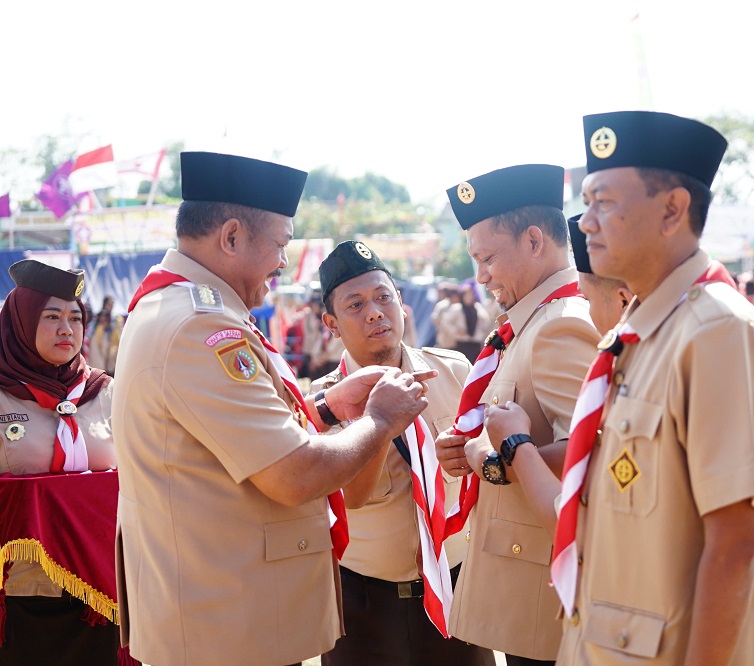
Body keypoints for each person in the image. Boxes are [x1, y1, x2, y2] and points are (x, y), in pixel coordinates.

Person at [506, 111, 754, 665]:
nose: (586, 222)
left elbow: (734, 542)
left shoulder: (716, 333)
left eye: (604, 202)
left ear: (672, 210)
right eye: (586, 203)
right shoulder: (638, 336)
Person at [112, 152, 433, 665]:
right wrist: (380, 419)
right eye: (281, 243)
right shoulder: (199, 325)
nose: (284, 261)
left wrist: (324, 408)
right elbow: (294, 474)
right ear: (231, 237)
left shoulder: (178, 308)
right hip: (227, 628)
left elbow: (223, 439)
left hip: (221, 613)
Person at [436, 164, 601, 665]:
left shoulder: (560, 324)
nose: (480, 275)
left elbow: (589, 452)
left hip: (547, 590)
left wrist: (487, 457)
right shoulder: (532, 321)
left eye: (487, 258)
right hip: (531, 578)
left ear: (533, 241)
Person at [309, 240, 493, 666]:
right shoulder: (324, 403)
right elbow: (350, 497)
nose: (375, 312)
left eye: (383, 297)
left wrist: (470, 453)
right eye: (355, 305)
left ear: (402, 303)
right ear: (331, 324)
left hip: (454, 590)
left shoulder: (454, 372)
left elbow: (489, 455)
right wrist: (379, 421)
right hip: (364, 606)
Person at [0, 260, 122, 664]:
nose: (67, 329)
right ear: (21, 321)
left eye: (75, 317)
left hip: (101, 596)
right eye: (51, 316)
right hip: (20, 596)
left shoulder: (104, 392)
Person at [440, 281, 492, 363]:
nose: (469, 297)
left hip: (475, 343)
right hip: (462, 343)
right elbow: (445, 321)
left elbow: (486, 321)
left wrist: (482, 333)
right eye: (466, 295)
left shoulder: (477, 308)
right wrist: (455, 331)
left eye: (470, 295)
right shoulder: (457, 308)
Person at [87, 309, 122, 375]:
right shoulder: (94, 332)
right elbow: (95, 352)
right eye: (102, 320)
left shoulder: (113, 332)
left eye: (105, 320)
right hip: (97, 368)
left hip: (110, 367)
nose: (104, 322)